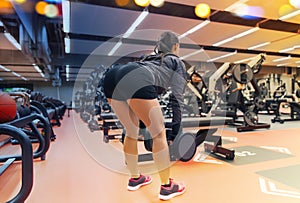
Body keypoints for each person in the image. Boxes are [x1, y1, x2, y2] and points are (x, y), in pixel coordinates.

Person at [103, 31, 186, 200]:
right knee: (159, 134)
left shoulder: (148, 58)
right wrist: (176, 130)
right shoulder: (177, 62)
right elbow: (177, 98)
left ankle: (135, 178)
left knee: (131, 131)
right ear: (175, 46)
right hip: (137, 76)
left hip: (112, 76)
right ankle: (167, 187)